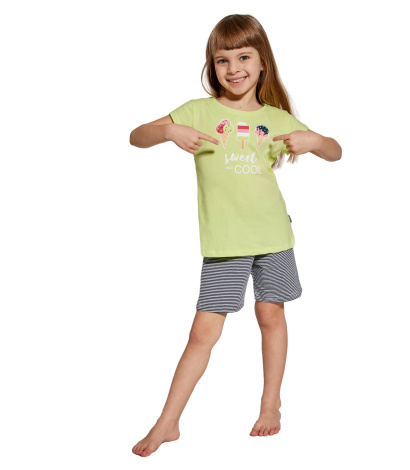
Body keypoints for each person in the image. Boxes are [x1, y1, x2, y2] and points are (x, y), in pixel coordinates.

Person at [130, 14, 342, 457]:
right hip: (226, 244)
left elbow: (335, 152)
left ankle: (271, 405)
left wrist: (317, 141)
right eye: (222, 60)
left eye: (244, 57)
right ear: (213, 66)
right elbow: (137, 136)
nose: (234, 68)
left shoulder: (276, 118)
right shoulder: (198, 111)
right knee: (202, 333)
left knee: (271, 316)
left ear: (262, 62)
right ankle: (168, 422)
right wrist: (168, 131)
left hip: (273, 237)